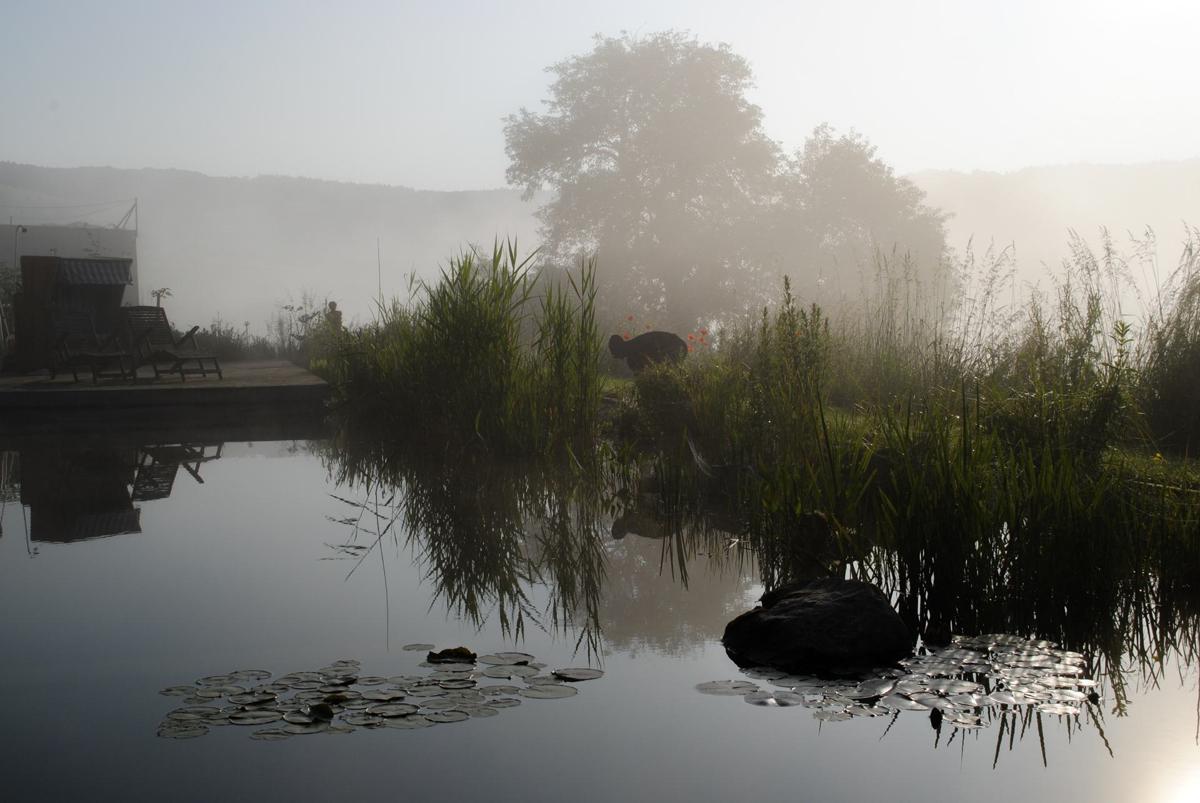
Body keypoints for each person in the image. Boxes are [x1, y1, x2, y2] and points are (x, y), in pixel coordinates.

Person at [608, 331, 687, 373]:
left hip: (675, 346)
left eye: (615, 353)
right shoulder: (632, 353)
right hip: (674, 346)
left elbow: (655, 353)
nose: (618, 357)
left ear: (620, 349)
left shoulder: (636, 346)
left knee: (671, 371)